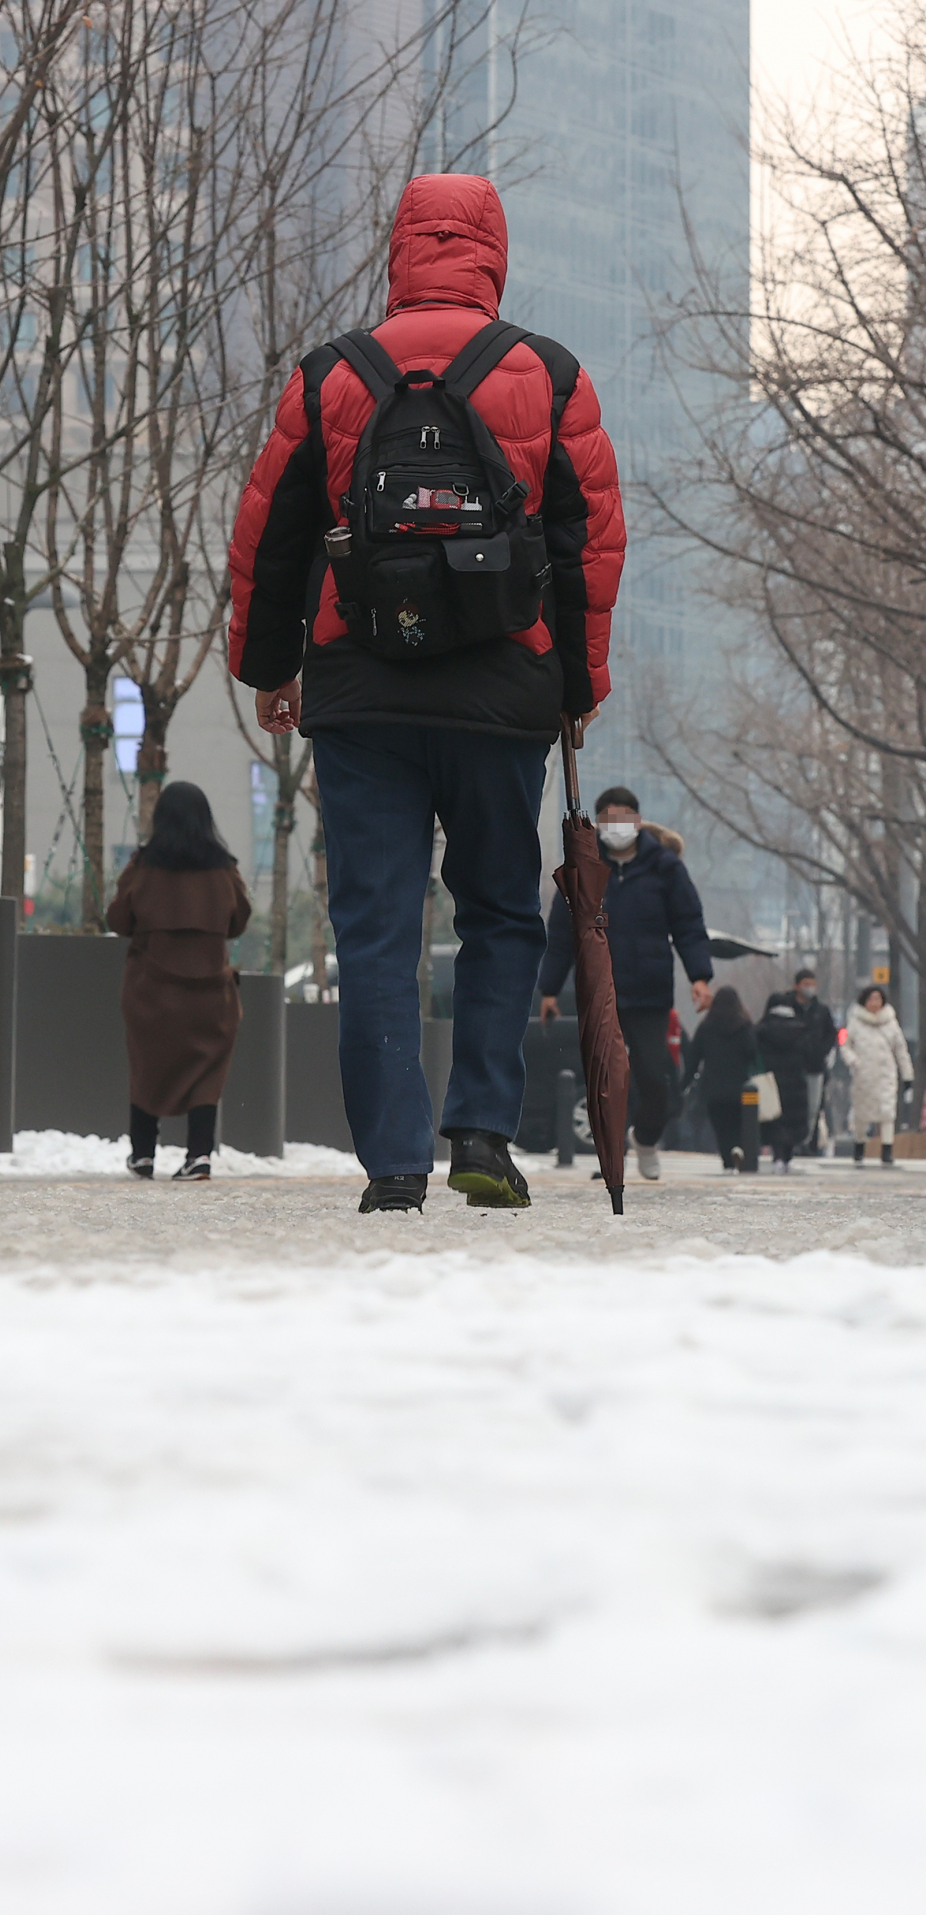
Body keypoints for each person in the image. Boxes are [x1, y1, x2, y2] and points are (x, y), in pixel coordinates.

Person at [227, 173, 624, 1214]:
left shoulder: (331, 376)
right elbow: (590, 548)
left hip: (361, 694)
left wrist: (270, 667)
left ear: (398, 250)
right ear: (493, 251)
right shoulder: (549, 375)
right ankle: (483, 1130)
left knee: (374, 928)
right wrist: (579, 685)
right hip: (503, 695)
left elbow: (266, 537)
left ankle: (393, 1160)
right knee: (499, 914)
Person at [539, 789, 712, 1181]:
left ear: (637, 820)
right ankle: (611, 1155)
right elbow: (561, 932)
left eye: (624, 817)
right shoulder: (583, 868)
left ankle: (646, 1139)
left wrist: (699, 977)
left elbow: (688, 925)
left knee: (656, 1079)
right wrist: (549, 989)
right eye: (608, 818)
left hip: (650, 993)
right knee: (605, 1081)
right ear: (598, 823)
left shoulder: (665, 868)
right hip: (600, 989)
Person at [105, 782, 251, 1182]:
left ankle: (143, 1154)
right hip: (210, 993)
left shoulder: (144, 866)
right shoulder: (224, 869)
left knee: (148, 1065)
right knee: (206, 1072)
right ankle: (199, 1155)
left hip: (151, 989)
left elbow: (118, 920)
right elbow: (239, 920)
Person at [682, 986, 757, 1171]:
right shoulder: (745, 1026)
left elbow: (693, 1058)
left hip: (713, 1088)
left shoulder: (706, 1027)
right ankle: (738, 1148)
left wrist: (683, 1084)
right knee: (739, 1123)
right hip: (740, 1086)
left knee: (721, 1127)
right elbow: (753, 1053)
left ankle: (727, 1159)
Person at [844, 984, 913, 1166]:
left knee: (887, 1112)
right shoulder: (855, 1023)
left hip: (885, 1074)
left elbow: (901, 1050)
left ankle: (887, 1149)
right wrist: (852, 1060)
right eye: (871, 999)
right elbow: (845, 1045)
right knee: (861, 1113)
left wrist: (907, 1075)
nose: (874, 1003)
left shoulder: (891, 1023)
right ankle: (859, 1145)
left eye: (878, 999)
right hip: (863, 1075)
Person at [755, 987, 811, 1171]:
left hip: (771, 1082)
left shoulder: (761, 1030)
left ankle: (777, 1156)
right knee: (792, 1119)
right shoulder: (801, 1028)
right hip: (796, 1082)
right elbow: (812, 1054)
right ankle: (787, 1157)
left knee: (775, 1119)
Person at [789, 968, 837, 1152]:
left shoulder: (821, 1011)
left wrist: (821, 1051)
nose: (810, 988)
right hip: (792, 1066)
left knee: (813, 1107)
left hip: (815, 1066)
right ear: (797, 986)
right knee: (793, 1106)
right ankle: (793, 1143)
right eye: (805, 984)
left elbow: (831, 1034)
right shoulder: (789, 1007)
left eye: (812, 984)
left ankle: (808, 1143)